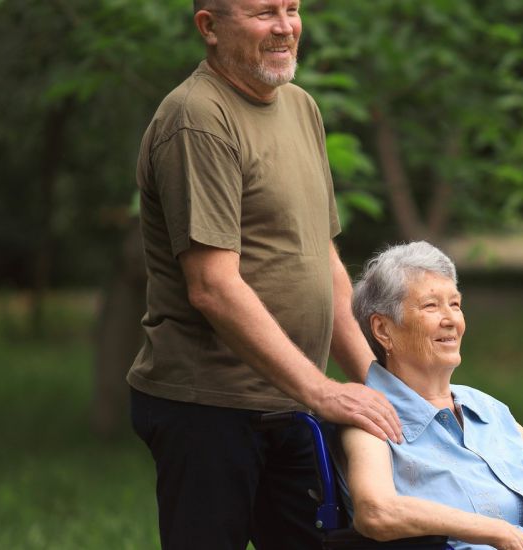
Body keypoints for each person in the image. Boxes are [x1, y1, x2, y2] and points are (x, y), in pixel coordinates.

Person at [126, 1, 402, 548]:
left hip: (290, 405)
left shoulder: (301, 107)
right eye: (262, 13)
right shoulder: (197, 118)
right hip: (208, 409)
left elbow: (323, 261)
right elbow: (213, 286)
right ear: (209, 27)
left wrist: (381, 383)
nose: (285, 27)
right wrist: (322, 390)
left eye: (292, 9)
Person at [339, 242, 523, 550]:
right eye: (431, 306)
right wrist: (494, 532)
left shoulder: (485, 409)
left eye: (456, 305)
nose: (451, 320)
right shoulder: (370, 416)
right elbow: (376, 512)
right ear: (383, 330)